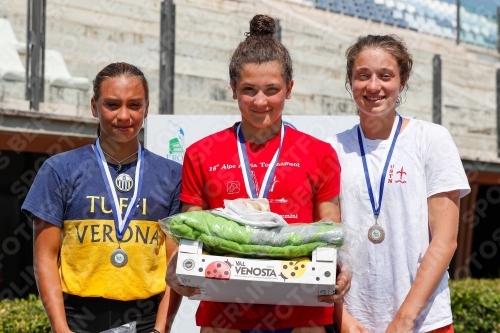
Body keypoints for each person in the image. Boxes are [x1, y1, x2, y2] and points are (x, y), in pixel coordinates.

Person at [165, 14, 350, 333]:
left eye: (272, 89)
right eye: (249, 89)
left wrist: (340, 268)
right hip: (223, 316)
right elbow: (190, 229)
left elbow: (328, 230)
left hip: (301, 315)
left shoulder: (319, 153)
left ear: (289, 89)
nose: (260, 101)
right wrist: (178, 266)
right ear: (233, 88)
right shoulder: (201, 153)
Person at [22, 62, 182, 333]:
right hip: (78, 320)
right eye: (112, 104)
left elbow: (174, 261)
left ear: (146, 107)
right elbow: (45, 258)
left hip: (146, 319)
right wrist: (61, 330)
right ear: (94, 106)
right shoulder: (59, 170)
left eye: (134, 105)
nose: (123, 116)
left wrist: (160, 329)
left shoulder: (172, 174)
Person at [327, 35, 470, 333]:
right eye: (363, 75)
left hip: (424, 322)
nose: (373, 86)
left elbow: (444, 241)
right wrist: (342, 319)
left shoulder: (431, 140)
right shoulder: (332, 149)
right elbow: (326, 243)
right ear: (350, 81)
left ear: (402, 82)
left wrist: (404, 320)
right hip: (354, 323)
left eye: (386, 75)